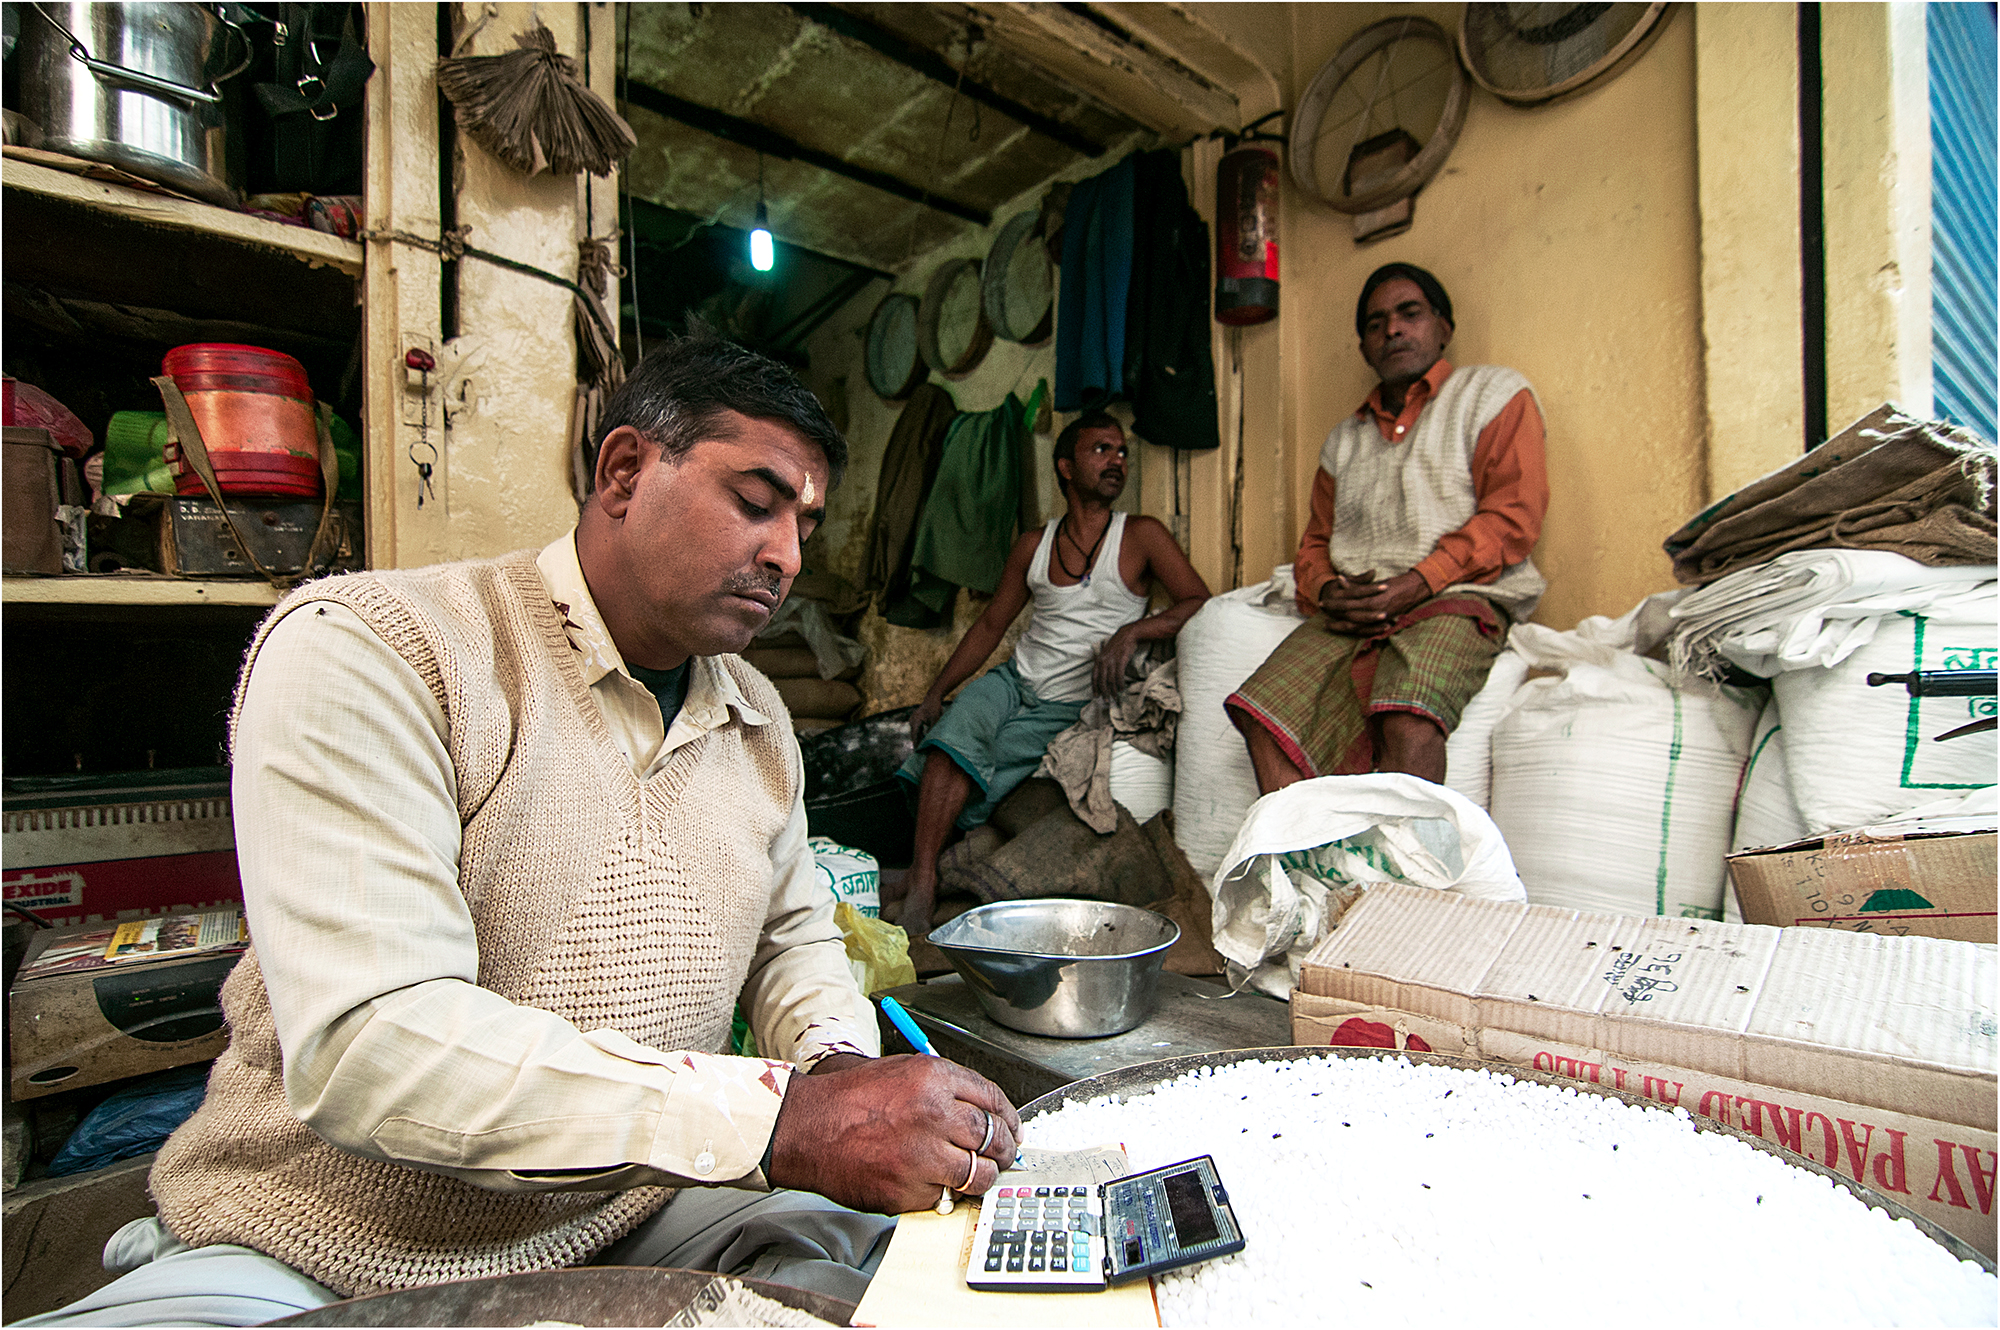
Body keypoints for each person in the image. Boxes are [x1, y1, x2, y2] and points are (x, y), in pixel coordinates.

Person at [24, 330, 1021, 1327]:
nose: (786, 555)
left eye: (804, 523)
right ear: (623, 471)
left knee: (904, 1280)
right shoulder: (377, 650)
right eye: (755, 503)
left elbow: (792, 938)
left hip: (634, 1209)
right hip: (313, 1241)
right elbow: (376, 1043)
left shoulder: (757, 721)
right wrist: (780, 1118)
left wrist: (839, 1068)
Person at [1226, 263, 1548, 791]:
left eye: (1409, 313)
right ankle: (1309, 866)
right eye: (1375, 324)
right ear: (1364, 348)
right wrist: (1328, 589)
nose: (1393, 329)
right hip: (1353, 610)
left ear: (1443, 328)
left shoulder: (1492, 395)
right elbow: (1315, 545)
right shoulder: (1342, 441)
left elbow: (1512, 516)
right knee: (1263, 715)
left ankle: (1403, 875)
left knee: (1406, 714)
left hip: (1456, 595)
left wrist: (1417, 583)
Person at [890, 412, 1210, 931]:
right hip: (1015, 680)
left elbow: (1200, 601)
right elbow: (992, 624)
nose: (1116, 461)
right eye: (1101, 450)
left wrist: (1134, 633)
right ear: (1065, 466)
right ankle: (923, 879)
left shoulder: (1141, 536)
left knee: (973, 770)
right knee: (957, 727)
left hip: (1069, 704)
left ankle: (919, 874)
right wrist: (936, 691)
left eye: (1122, 452)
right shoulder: (1034, 545)